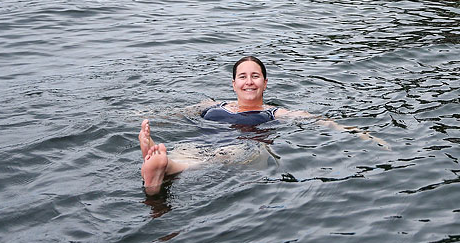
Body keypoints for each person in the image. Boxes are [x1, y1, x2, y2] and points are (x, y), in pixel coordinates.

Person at [139, 56, 386, 195]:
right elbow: (171, 114)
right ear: (233, 84)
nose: (249, 82)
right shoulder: (212, 105)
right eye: (243, 77)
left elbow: (321, 121)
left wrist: (365, 135)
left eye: (255, 76)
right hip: (202, 144)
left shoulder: (275, 113)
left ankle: (163, 168)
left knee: (235, 153)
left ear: (265, 83)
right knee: (186, 149)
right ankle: (162, 165)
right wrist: (139, 118)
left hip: (239, 150)